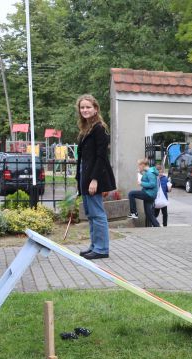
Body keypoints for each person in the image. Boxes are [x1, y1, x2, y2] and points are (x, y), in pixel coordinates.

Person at [76, 94, 116, 260]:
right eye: (82, 107)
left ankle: (101, 248)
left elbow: (101, 157)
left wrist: (94, 180)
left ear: (95, 109)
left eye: (88, 107)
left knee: (97, 214)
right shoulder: (86, 128)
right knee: (91, 214)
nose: (85, 110)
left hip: (94, 177)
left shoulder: (99, 128)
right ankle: (94, 246)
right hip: (85, 175)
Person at [127, 159, 160, 227]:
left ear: (142, 165)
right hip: (150, 194)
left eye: (139, 165)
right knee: (149, 213)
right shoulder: (148, 172)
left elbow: (152, 184)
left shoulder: (150, 173)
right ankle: (158, 227)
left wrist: (141, 183)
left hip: (149, 194)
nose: (138, 167)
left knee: (131, 194)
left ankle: (134, 213)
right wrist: (140, 173)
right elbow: (146, 178)